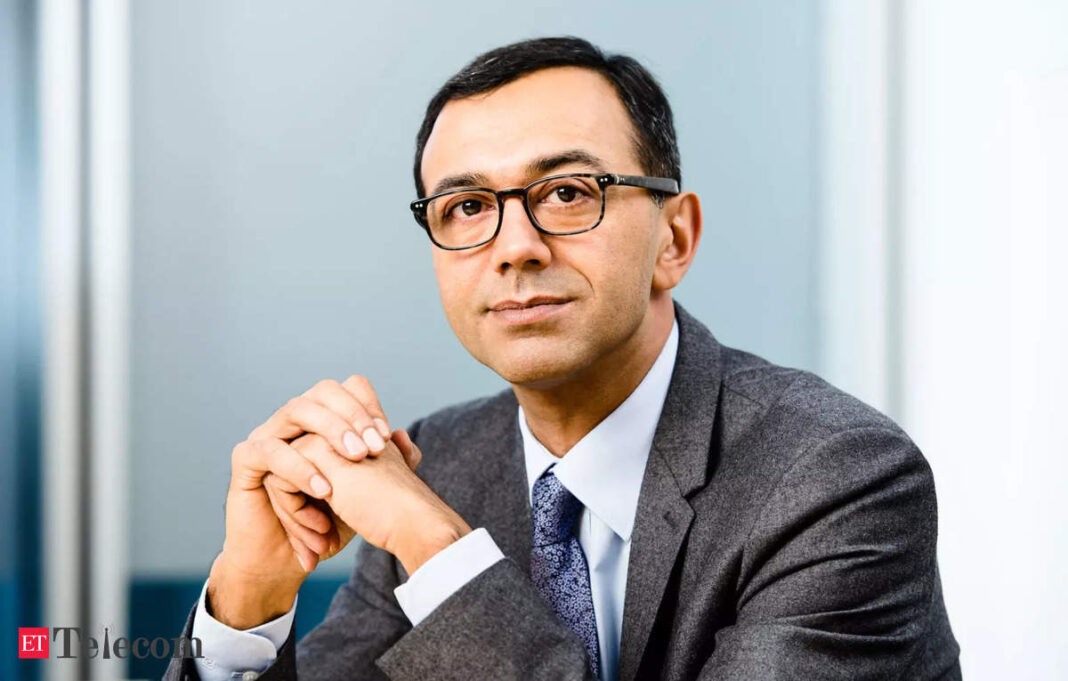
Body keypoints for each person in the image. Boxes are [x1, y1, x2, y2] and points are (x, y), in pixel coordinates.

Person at [163, 36, 961, 681]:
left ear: (674, 239)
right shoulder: (439, 461)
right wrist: (249, 596)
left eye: (569, 193)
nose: (514, 247)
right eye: (468, 206)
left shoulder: (836, 474)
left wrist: (438, 547)